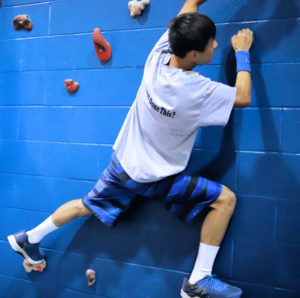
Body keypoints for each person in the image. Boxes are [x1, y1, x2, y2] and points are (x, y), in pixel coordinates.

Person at [8, 0, 253, 297]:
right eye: (211, 43)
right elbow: (241, 97)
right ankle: (198, 279)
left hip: (124, 167)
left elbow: (190, 3)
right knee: (225, 200)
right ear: (192, 54)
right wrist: (241, 53)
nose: (215, 45)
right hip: (159, 179)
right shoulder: (197, 91)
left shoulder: (160, 54)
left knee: (87, 204)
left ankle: (29, 237)